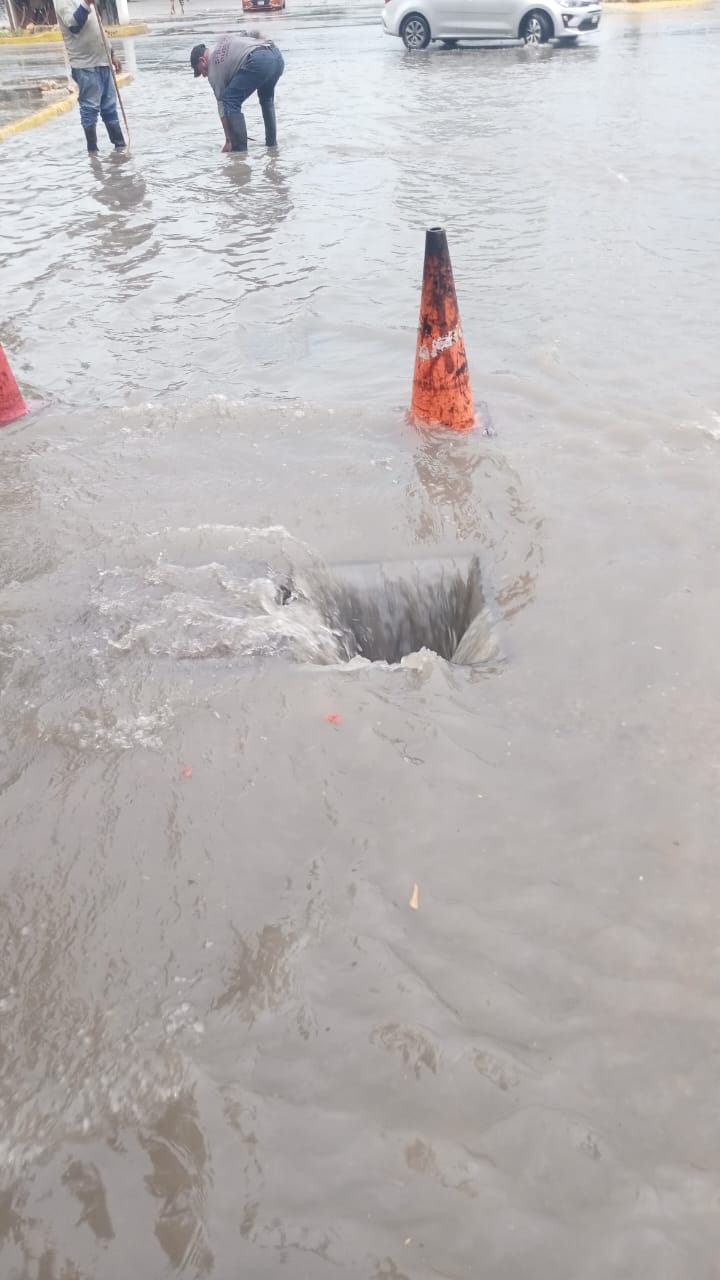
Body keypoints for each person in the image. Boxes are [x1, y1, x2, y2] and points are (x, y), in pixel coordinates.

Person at [190, 32, 284, 154]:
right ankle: (272, 146)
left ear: (202, 60)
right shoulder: (224, 42)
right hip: (276, 56)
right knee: (266, 99)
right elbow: (250, 34)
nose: (203, 75)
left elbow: (222, 105)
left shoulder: (213, 69)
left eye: (200, 71)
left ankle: (240, 154)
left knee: (230, 100)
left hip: (259, 60)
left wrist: (228, 140)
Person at [56, 0, 126, 154]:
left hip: (103, 60)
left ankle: (120, 146)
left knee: (109, 106)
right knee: (90, 108)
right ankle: (93, 151)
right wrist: (87, 4)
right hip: (85, 65)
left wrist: (112, 53)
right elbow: (74, 26)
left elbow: (98, 28)